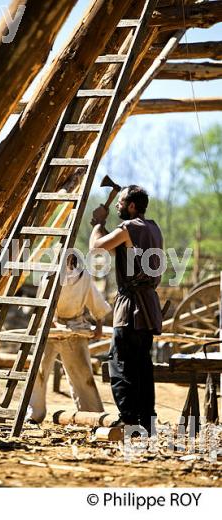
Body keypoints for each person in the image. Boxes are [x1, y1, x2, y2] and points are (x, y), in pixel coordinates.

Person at [89, 185, 163, 435]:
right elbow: (121, 246)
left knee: (120, 363)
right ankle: (147, 421)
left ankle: (129, 419)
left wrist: (98, 222)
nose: (118, 206)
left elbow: (96, 248)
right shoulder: (153, 228)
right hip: (148, 306)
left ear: (132, 206)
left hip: (131, 307)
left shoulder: (128, 228)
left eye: (120, 202)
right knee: (142, 364)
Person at [27, 253, 112, 423]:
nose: (68, 264)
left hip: (76, 327)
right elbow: (42, 304)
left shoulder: (84, 277)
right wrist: (53, 323)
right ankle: (34, 414)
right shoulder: (49, 277)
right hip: (50, 328)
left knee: (83, 372)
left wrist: (99, 324)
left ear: (73, 261)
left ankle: (92, 414)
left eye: (70, 260)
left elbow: (95, 300)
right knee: (39, 371)